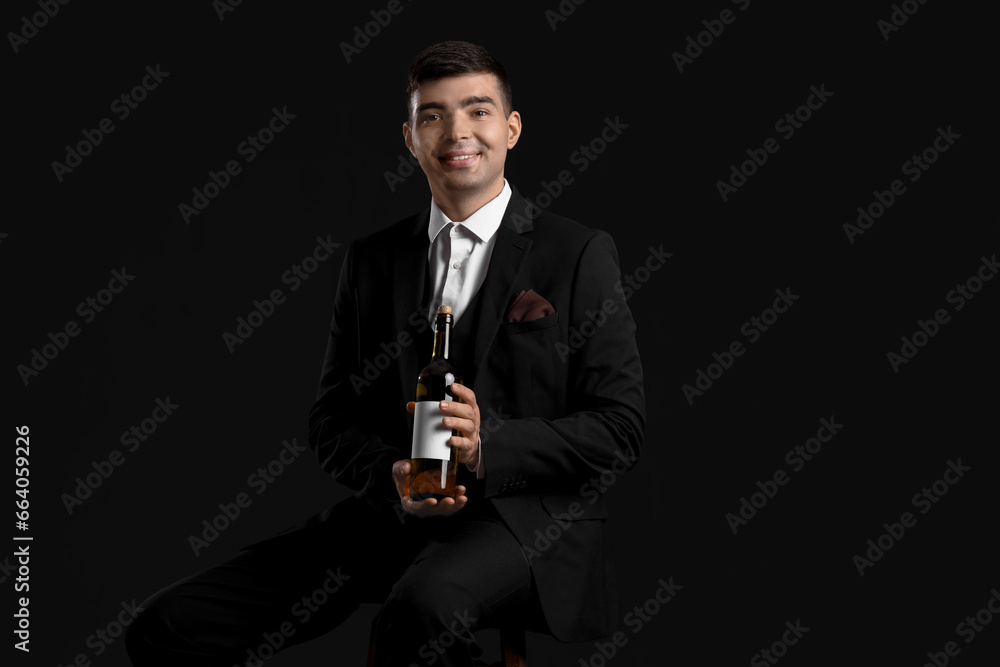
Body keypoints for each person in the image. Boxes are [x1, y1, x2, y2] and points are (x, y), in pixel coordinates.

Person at [125, 40, 645, 667]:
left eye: (478, 111)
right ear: (410, 136)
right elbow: (330, 418)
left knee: (421, 614)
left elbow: (619, 428)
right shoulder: (372, 259)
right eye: (433, 115)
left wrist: (489, 446)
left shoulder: (578, 252)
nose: (457, 131)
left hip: (523, 522)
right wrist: (390, 478)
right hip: (394, 512)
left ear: (511, 129)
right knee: (168, 624)